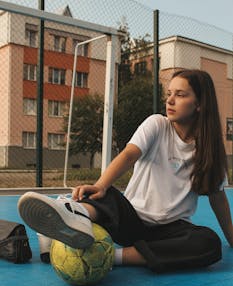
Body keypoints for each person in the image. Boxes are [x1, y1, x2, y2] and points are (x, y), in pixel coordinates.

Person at [18, 69, 233, 272]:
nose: (170, 100)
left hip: (169, 231)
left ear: (199, 104)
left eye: (180, 95)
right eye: (169, 94)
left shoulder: (209, 150)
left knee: (209, 243)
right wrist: (101, 186)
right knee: (107, 194)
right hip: (130, 220)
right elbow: (129, 154)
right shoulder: (157, 125)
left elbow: (218, 198)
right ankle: (72, 215)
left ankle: (111, 257)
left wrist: (231, 238)